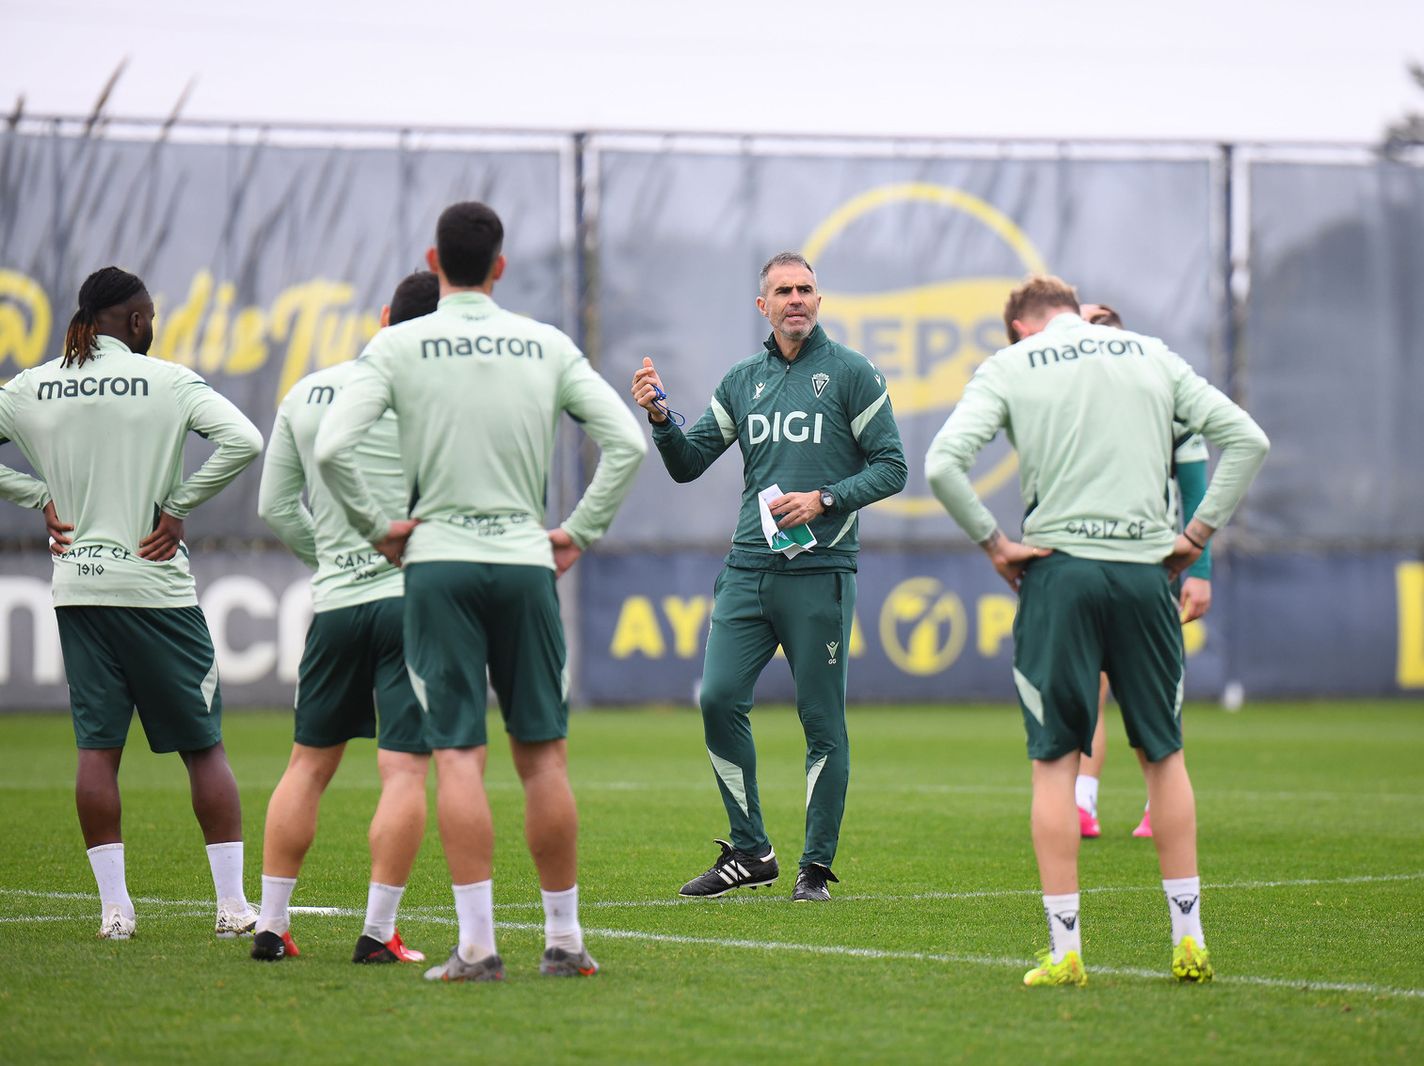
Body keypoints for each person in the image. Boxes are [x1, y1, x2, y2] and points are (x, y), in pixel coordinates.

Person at [316, 202, 646, 983]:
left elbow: (332, 447)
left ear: (436, 260)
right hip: (526, 557)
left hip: (439, 563)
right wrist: (579, 530)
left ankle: (477, 948)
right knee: (544, 757)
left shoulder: (396, 345)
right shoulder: (545, 342)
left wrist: (379, 528)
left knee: (458, 756)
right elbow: (628, 442)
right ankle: (564, 940)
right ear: (500, 265)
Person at [927, 274, 1268, 987]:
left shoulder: (1010, 364)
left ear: (1020, 326)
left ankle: (1067, 952)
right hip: (1146, 570)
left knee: (1055, 761)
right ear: (1072, 309)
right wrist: (1196, 534)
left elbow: (942, 465)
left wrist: (995, 545)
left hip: (1059, 571)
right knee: (1164, 755)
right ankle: (1189, 943)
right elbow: (1246, 439)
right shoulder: (1149, 352)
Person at [630, 251, 907, 903]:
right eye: (783, 291)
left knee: (822, 723)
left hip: (819, 573)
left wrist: (826, 499)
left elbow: (892, 466)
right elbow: (689, 463)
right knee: (718, 698)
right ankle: (751, 850)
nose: (796, 299)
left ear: (820, 299)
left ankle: (815, 868)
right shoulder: (743, 380)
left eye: (806, 289)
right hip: (748, 569)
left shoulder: (852, 374)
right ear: (764, 306)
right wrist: (662, 421)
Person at [0, 266, 264, 941]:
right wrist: (178, 507)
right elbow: (245, 441)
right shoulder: (169, 380)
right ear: (138, 320)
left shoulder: (33, 385)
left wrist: (37, 497)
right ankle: (233, 908)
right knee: (203, 749)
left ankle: (115, 911)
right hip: (156, 590)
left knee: (97, 750)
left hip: (79, 587)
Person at [250, 271, 440, 965]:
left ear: (384, 315)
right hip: (412, 601)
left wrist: (329, 558)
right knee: (404, 773)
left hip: (335, 605)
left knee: (305, 766)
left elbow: (275, 506)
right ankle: (377, 933)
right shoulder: (436, 395)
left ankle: (270, 927)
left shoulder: (306, 392)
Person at [1069, 302, 1215, 841]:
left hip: (1149, 563)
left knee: (1148, 686)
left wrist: (1199, 567)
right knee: (1086, 684)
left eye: (1097, 328)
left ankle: (1163, 800)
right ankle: (1082, 802)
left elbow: (1196, 489)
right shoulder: (1064, 400)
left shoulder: (1167, 396)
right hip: (1080, 560)